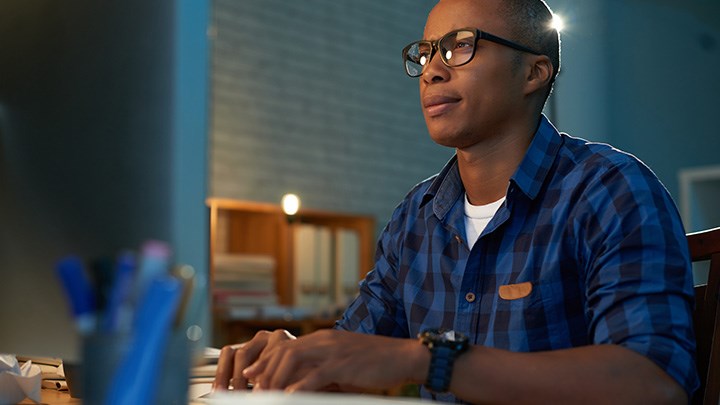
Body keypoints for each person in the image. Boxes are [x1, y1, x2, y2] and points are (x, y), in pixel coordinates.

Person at [213, 0, 699, 403]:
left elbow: (654, 381)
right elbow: (358, 351)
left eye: (459, 47)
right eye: (425, 54)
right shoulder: (417, 214)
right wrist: (299, 354)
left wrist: (429, 360)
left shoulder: (609, 189)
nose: (432, 72)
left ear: (534, 72)